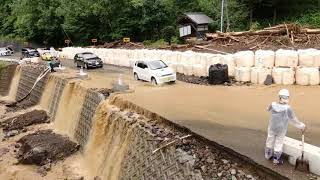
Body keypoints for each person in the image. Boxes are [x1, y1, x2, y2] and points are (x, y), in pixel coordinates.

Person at [265, 89, 306, 165]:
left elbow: (268, 109)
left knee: (270, 140)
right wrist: (301, 126)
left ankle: (268, 155)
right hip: (281, 129)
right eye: (287, 97)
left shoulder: (273, 104)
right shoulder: (288, 108)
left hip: (272, 127)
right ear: (287, 98)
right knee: (278, 143)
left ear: (279, 97)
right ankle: (276, 160)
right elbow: (293, 119)